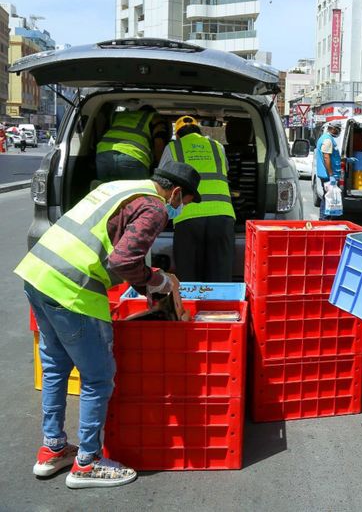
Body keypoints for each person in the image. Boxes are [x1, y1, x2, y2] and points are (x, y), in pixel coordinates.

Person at [14, 162, 201, 489]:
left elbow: (109, 245)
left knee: (56, 368)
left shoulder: (118, 188)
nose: (177, 209)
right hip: (73, 288)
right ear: (174, 192)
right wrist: (159, 281)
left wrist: (147, 287)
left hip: (38, 273)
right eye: (181, 203)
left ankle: (53, 449)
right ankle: (87, 463)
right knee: (98, 378)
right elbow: (123, 261)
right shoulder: (155, 208)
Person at [159, 115, 236, 282]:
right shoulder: (217, 146)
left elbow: (162, 180)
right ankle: (220, 306)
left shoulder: (173, 147)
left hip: (188, 217)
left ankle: (191, 306)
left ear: (178, 134)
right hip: (222, 216)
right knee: (220, 276)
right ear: (199, 132)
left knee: (188, 277)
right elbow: (226, 170)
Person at [96, 105, 170, 181]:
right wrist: (159, 166)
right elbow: (159, 142)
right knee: (137, 192)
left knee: (107, 191)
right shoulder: (154, 117)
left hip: (103, 155)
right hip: (133, 157)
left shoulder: (119, 115)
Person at [315, 121, 342, 219]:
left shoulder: (325, 138)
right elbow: (326, 157)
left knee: (327, 197)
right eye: (338, 130)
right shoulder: (327, 140)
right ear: (334, 129)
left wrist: (345, 159)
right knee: (328, 198)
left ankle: (324, 218)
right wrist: (331, 175)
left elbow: (332, 156)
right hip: (328, 175)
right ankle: (324, 219)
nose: (338, 132)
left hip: (327, 174)